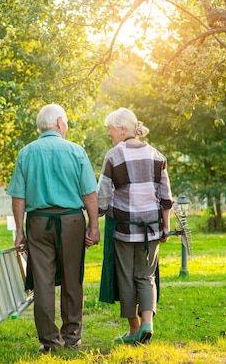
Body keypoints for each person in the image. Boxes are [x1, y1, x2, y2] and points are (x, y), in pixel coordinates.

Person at [6, 103, 100, 353]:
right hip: (71, 222)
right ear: (59, 122)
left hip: (38, 222)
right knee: (72, 279)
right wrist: (94, 225)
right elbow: (89, 192)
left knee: (43, 282)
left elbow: (18, 197)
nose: (67, 126)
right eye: (66, 122)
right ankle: (71, 336)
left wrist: (19, 231)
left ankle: (50, 341)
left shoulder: (26, 152)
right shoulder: (76, 151)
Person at [97, 108, 173, 345]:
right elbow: (166, 197)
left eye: (110, 128)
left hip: (124, 229)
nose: (109, 133)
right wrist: (166, 227)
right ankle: (148, 323)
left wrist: (94, 218)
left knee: (126, 278)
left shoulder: (113, 156)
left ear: (122, 129)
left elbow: (103, 196)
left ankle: (134, 330)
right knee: (146, 276)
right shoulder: (157, 156)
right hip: (151, 227)